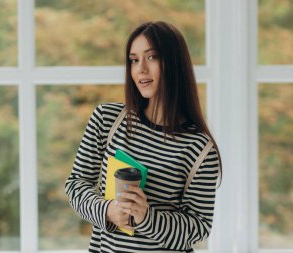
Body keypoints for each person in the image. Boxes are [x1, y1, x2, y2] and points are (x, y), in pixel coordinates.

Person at [65, 21, 222, 253]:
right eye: (134, 60)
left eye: (152, 57)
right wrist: (107, 210)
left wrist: (146, 216)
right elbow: (76, 185)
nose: (141, 69)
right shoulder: (107, 119)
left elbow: (199, 228)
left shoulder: (200, 148)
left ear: (175, 64)